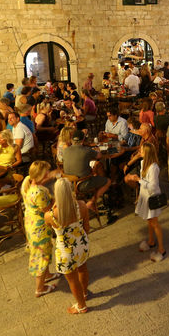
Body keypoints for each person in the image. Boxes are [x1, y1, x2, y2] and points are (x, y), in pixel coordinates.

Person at [45, 178, 90, 314]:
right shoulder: (81, 205)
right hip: (81, 244)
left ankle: (81, 306)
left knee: (72, 280)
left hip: (65, 251)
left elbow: (49, 229)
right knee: (82, 269)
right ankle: (85, 293)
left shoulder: (50, 215)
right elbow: (87, 227)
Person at [21, 161, 60, 297]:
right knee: (41, 257)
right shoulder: (38, 193)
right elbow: (47, 209)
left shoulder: (28, 184)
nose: (49, 174)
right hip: (39, 229)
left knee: (45, 251)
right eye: (47, 173)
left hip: (31, 224)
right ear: (41, 176)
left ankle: (47, 274)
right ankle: (40, 288)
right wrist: (56, 199)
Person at [125, 143, 166, 262]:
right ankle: (151, 241)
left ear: (147, 153)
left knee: (154, 223)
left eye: (141, 150)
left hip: (151, 198)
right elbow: (145, 181)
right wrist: (137, 178)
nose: (139, 151)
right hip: (145, 197)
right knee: (149, 221)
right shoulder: (144, 163)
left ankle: (162, 249)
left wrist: (138, 180)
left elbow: (153, 186)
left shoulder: (153, 167)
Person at [62, 130, 111, 214]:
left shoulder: (65, 150)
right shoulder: (86, 150)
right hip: (82, 184)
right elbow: (99, 155)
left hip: (68, 184)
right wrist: (98, 150)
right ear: (83, 140)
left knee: (92, 171)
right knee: (108, 181)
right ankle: (91, 202)